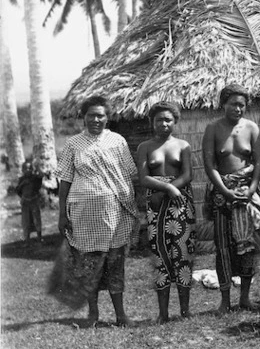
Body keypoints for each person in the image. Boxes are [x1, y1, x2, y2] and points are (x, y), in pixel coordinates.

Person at [55, 95, 137, 327]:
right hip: (83, 216)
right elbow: (65, 180)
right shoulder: (73, 144)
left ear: (107, 117)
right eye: (91, 115)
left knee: (115, 263)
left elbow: (129, 174)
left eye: (100, 115)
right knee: (88, 265)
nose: (95, 119)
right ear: (84, 116)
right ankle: (93, 314)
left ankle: (121, 315)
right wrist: (62, 214)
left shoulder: (117, 141)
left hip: (114, 213)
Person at [203, 84, 260, 314]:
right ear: (223, 104)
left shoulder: (252, 128)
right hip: (223, 194)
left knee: (247, 246)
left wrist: (251, 190)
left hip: (246, 193)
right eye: (233, 104)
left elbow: (258, 162)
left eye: (242, 105)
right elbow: (209, 165)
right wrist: (225, 191)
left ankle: (245, 298)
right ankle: (225, 300)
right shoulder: (213, 129)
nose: (238, 109)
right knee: (224, 247)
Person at [137, 102, 195, 323]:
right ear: (152, 122)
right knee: (159, 253)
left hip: (180, 201)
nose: (163, 124)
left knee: (183, 252)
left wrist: (172, 188)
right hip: (156, 203)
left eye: (168, 120)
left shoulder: (183, 145)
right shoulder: (145, 147)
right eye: (159, 119)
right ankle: (163, 312)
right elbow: (143, 178)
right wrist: (165, 188)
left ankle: (185, 310)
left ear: (175, 122)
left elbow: (187, 174)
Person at [16, 160, 43, 243]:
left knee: (36, 219)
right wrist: (23, 184)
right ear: (22, 170)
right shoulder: (21, 179)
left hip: (34, 201)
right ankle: (27, 239)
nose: (28, 170)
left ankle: (39, 237)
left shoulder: (34, 178)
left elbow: (41, 175)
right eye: (26, 168)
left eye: (30, 168)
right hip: (25, 203)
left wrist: (38, 167)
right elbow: (18, 190)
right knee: (26, 221)